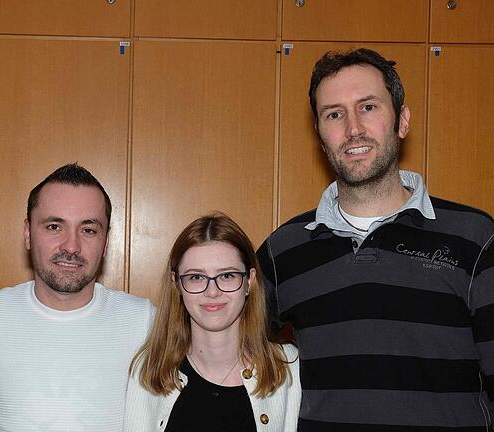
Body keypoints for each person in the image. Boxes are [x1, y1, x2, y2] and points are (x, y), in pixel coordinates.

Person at [258, 48, 494, 430]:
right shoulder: (283, 250)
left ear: (402, 120)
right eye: (334, 114)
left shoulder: (477, 238)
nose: (353, 129)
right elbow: (225, 355)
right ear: (320, 134)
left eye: (368, 107)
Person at [0, 163, 154, 431]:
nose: (71, 246)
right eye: (55, 226)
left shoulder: (143, 321)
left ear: (105, 242)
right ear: (28, 233)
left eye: (88, 229)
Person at [125, 212, 300, 431]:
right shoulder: (149, 370)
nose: (213, 291)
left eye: (227, 275)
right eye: (196, 277)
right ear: (176, 284)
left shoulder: (287, 367)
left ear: (249, 282)